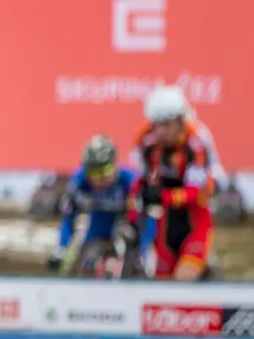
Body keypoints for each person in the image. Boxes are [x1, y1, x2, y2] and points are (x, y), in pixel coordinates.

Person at [126, 86, 215, 281]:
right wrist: (133, 213)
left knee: (183, 278)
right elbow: (137, 183)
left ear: (180, 121)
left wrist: (162, 196)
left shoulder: (196, 144)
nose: (161, 132)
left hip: (194, 223)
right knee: (163, 286)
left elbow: (197, 193)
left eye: (167, 125)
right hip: (164, 227)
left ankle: (205, 268)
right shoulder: (146, 142)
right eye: (157, 125)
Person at [47, 135, 145, 275]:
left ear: (115, 165)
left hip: (128, 228)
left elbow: (146, 221)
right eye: (93, 173)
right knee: (83, 264)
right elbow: (69, 219)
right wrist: (61, 250)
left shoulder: (130, 181)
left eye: (104, 172)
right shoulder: (79, 182)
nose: (98, 180)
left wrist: (143, 251)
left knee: (131, 252)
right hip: (98, 228)